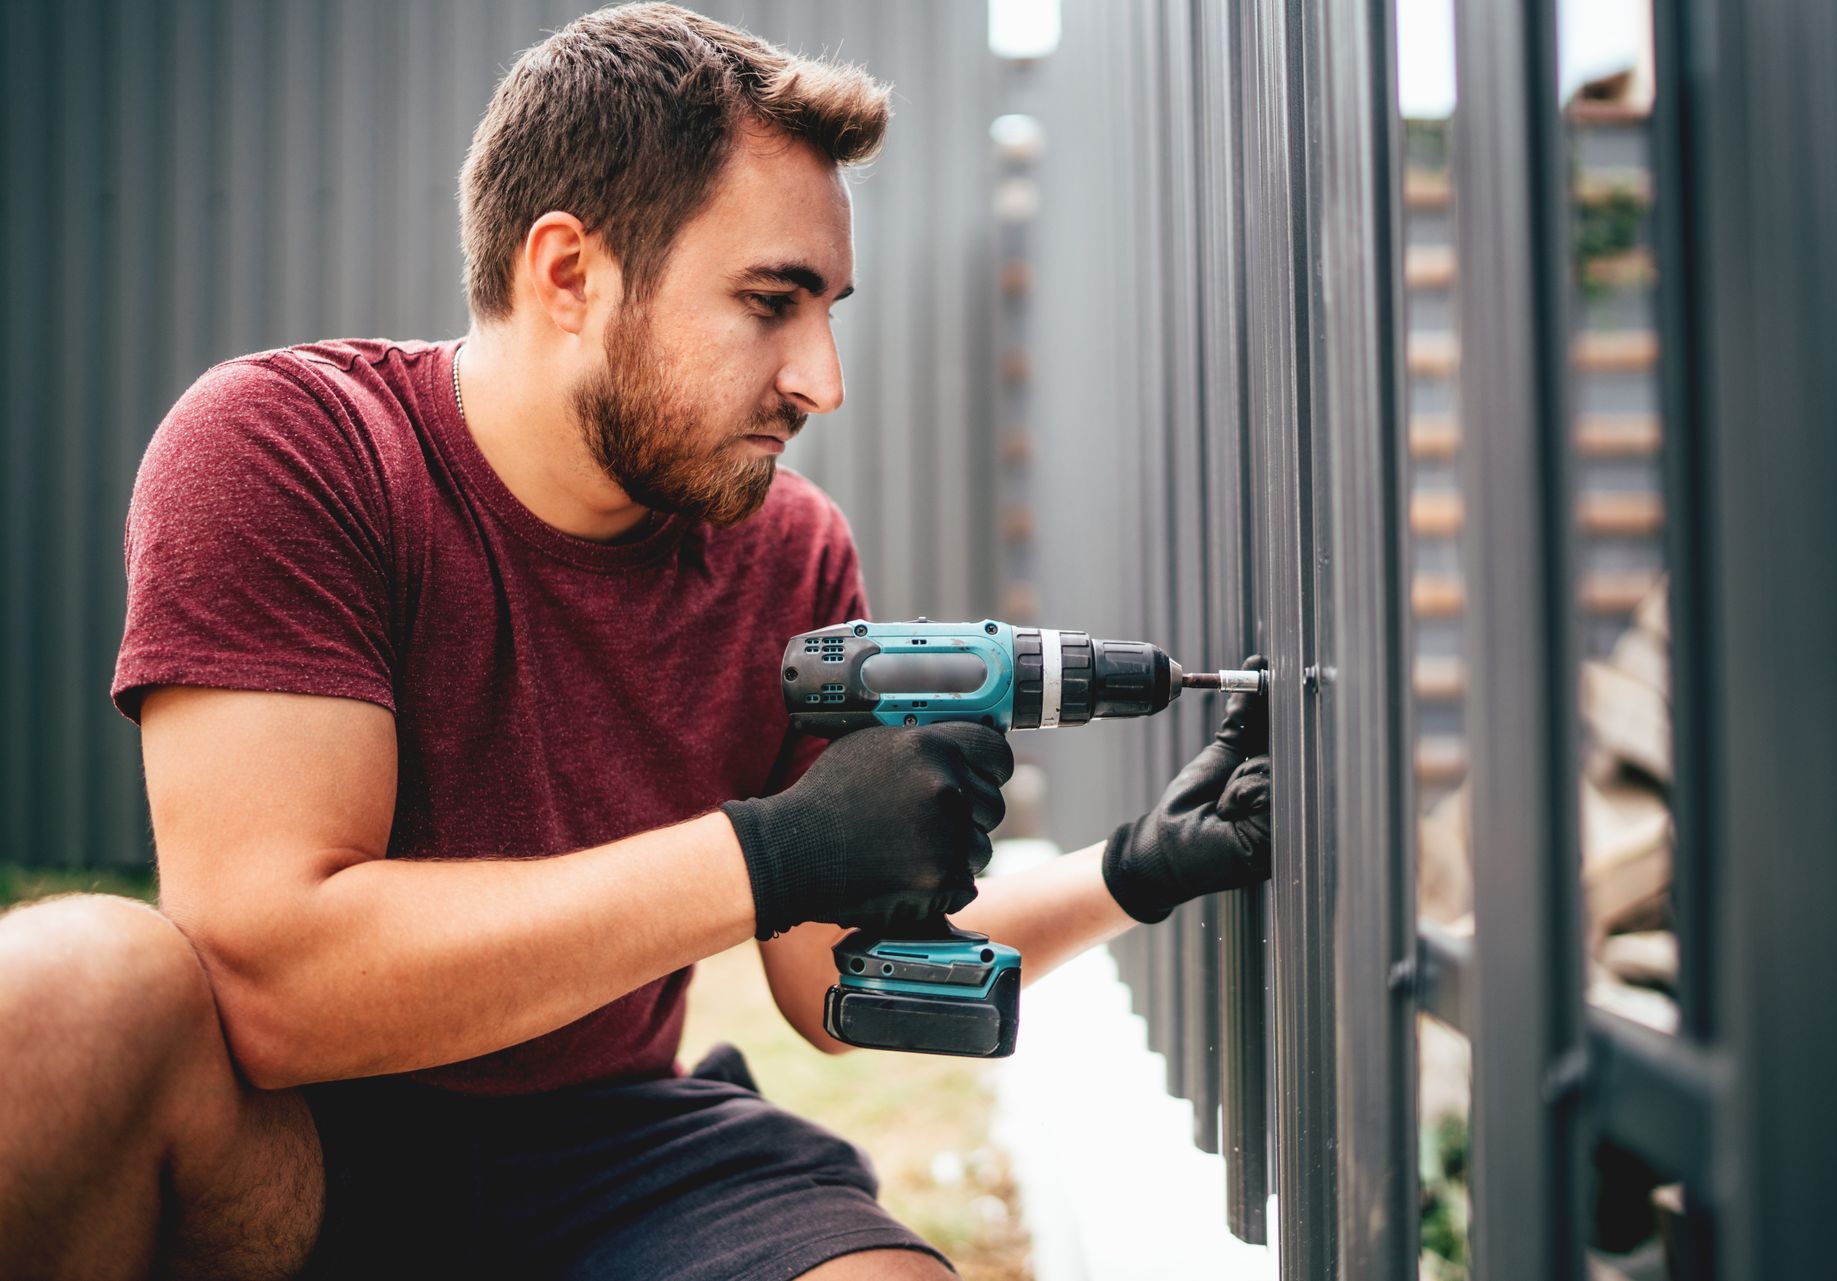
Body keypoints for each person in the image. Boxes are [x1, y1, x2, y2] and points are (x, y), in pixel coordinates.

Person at [0, 6, 1273, 1278]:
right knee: (73, 988)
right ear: (569, 274)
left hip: (616, 1153)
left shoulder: (790, 552)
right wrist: (771, 848)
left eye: (827, 309)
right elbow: (274, 982)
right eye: (771, 302)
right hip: (304, 1146)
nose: (821, 379)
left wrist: (1133, 869)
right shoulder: (294, 451)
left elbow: (828, 980)